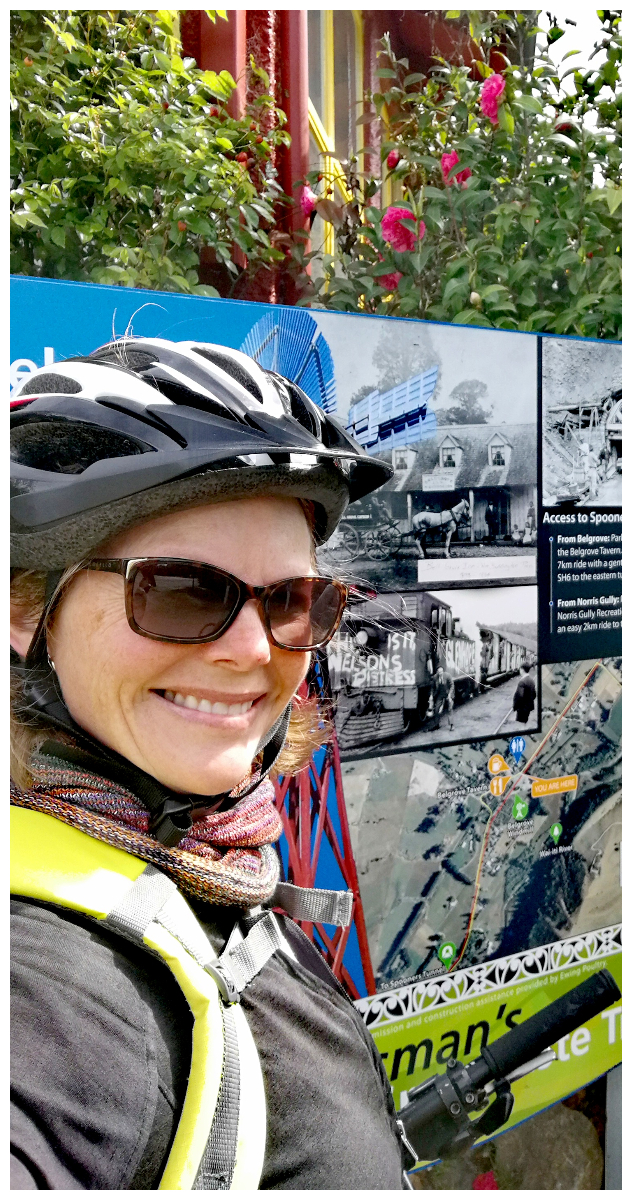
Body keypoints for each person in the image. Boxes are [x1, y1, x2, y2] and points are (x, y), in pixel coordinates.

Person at [9, 337, 409, 1188]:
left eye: (293, 600)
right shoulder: (44, 992)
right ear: (24, 607)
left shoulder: (220, 867)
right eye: (184, 588)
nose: (253, 648)